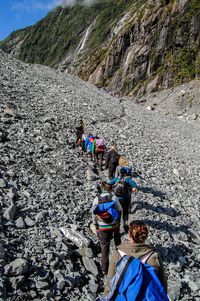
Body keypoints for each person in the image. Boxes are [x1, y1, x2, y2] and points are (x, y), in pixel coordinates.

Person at [103, 220, 167, 297]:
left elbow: (110, 284)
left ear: (129, 235)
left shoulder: (118, 254)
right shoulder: (153, 257)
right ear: (145, 235)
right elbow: (162, 287)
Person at [92, 183, 122, 273]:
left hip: (102, 226)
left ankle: (104, 268)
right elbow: (120, 209)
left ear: (103, 189)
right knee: (117, 242)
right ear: (110, 190)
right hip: (114, 224)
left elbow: (93, 213)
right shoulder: (113, 197)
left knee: (104, 246)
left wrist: (95, 225)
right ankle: (120, 263)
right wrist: (118, 220)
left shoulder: (97, 199)